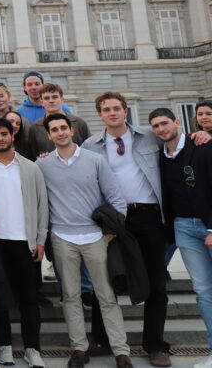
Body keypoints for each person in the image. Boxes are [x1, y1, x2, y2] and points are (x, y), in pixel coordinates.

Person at [82, 92, 170, 365]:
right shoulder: (90, 145)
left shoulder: (149, 136)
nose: (112, 113)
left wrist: (203, 135)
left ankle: (155, 344)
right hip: (113, 218)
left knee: (156, 282)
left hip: (148, 215)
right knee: (104, 281)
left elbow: (176, 142)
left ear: (126, 110)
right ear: (100, 114)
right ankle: (101, 339)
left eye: (116, 108)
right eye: (106, 109)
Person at [38, 112, 131, 368]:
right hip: (62, 237)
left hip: (95, 238)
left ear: (72, 130)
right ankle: (79, 348)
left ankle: (121, 351)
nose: (60, 133)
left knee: (106, 296)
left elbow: (117, 199)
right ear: (49, 135)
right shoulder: (42, 165)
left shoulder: (95, 160)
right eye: (54, 129)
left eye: (63, 128)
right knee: (70, 296)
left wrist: (109, 233)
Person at [0, 119, 48, 368]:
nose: (1, 138)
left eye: (4, 134)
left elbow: (41, 205)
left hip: (23, 241)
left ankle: (32, 348)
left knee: (28, 297)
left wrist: (39, 239)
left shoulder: (29, 168)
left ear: (12, 135)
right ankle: (4, 346)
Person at [151, 107, 212, 368]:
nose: (161, 129)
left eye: (165, 123)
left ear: (177, 122)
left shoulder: (203, 146)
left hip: (208, 225)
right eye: (155, 126)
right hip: (183, 228)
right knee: (203, 291)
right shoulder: (159, 156)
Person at [28, 84, 90, 154]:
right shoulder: (35, 128)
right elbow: (32, 156)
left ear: (62, 99)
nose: (51, 101)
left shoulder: (79, 123)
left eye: (54, 97)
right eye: (46, 98)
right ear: (41, 102)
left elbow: (89, 149)